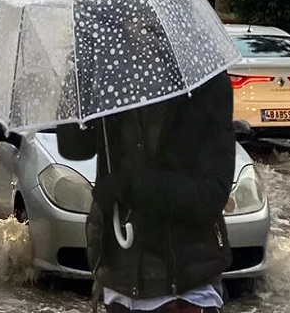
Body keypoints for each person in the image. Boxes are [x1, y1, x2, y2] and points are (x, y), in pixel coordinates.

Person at [56, 71, 235, 313]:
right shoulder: (110, 74)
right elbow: (73, 148)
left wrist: (129, 186)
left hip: (184, 288)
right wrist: (80, 79)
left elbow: (212, 194)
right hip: (120, 278)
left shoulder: (206, 81)